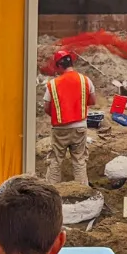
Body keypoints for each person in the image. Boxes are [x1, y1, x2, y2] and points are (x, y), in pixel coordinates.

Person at [43, 50, 94, 186]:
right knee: (79, 160)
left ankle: (50, 193)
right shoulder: (85, 80)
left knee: (55, 160)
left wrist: (59, 116)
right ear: (71, 63)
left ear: (59, 66)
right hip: (80, 128)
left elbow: (46, 107)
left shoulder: (53, 84)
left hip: (59, 129)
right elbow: (92, 100)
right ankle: (83, 192)